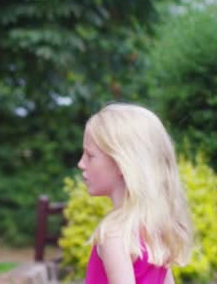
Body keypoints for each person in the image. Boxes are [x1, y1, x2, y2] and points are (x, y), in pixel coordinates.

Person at [77, 103, 193, 284]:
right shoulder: (154, 230)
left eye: (89, 155)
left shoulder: (114, 235)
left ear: (121, 163)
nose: (81, 164)